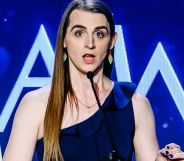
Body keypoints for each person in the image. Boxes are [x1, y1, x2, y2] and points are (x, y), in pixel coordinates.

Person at [2, 0, 184, 161]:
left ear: (112, 41)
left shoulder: (136, 104)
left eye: (99, 34)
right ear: (64, 39)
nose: (90, 43)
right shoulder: (36, 104)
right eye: (79, 33)